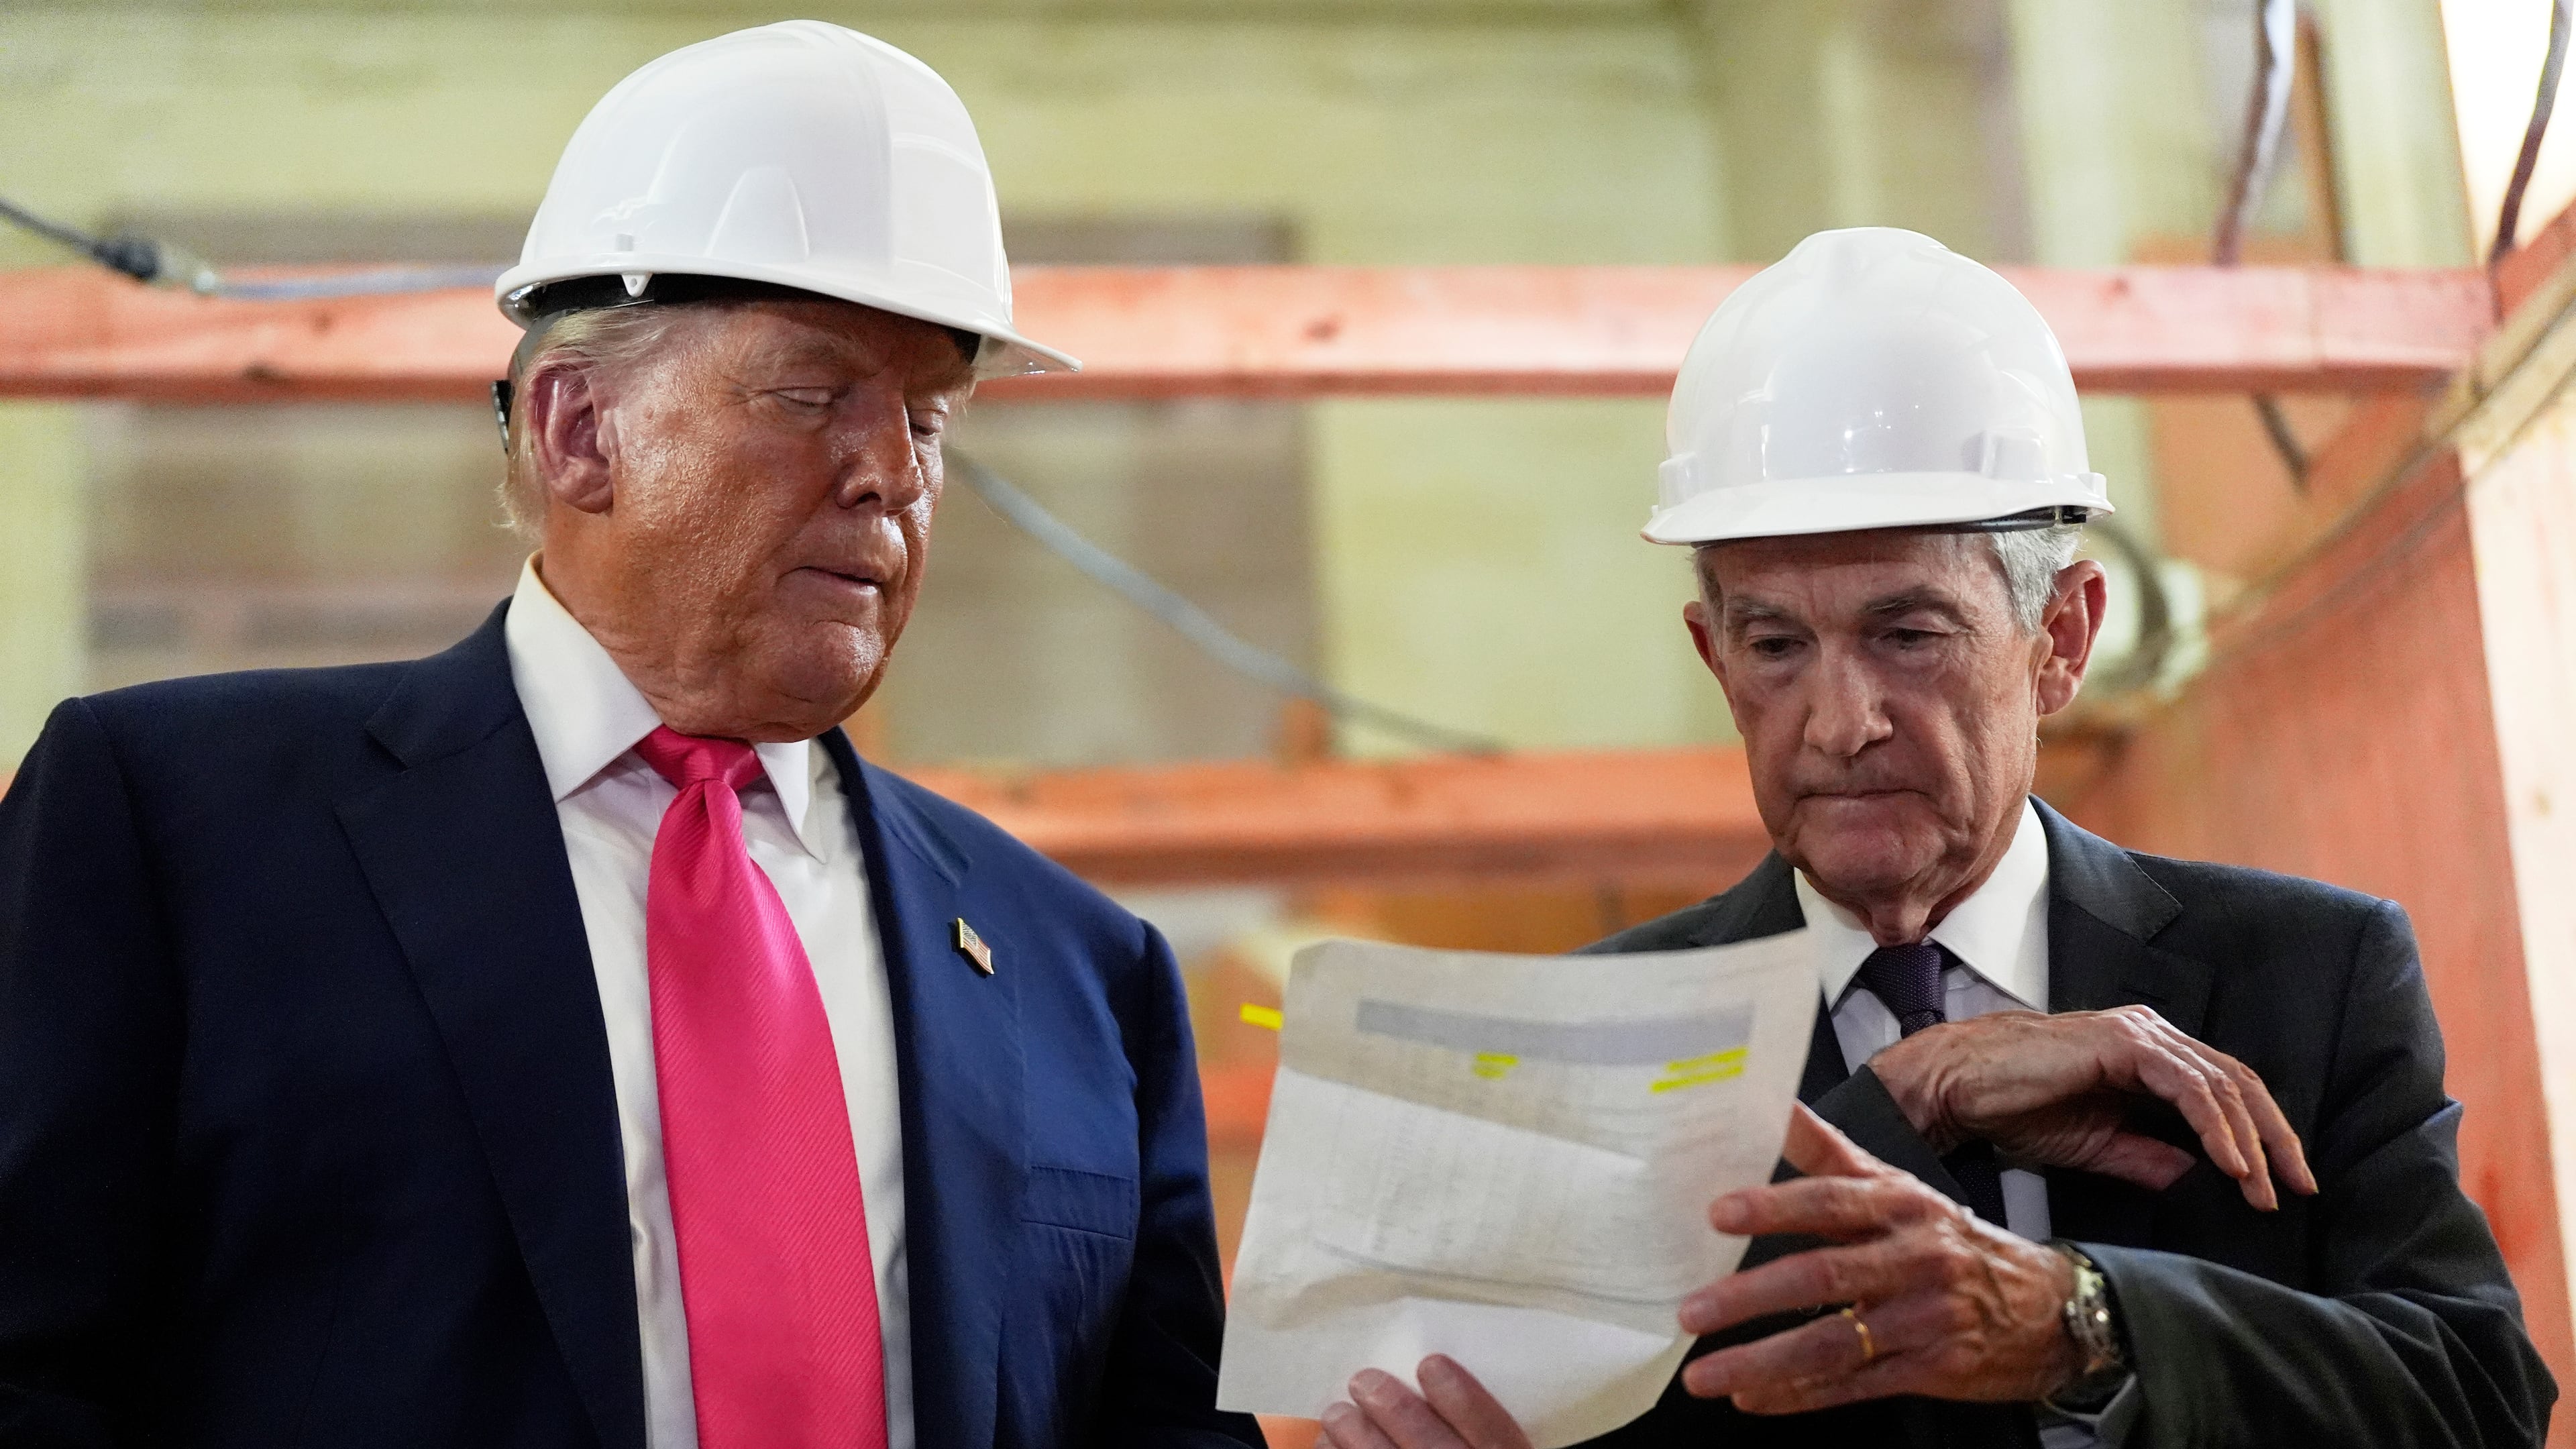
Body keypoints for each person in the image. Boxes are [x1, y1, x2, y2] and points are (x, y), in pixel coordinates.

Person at [0, 23, 1261, 1449]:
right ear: (578, 428)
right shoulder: (175, 834)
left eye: (928, 416)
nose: (893, 476)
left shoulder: (1081, 974)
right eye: (813, 394)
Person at [1317, 227, 2556, 1449]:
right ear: (1714, 656)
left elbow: (2477, 1397)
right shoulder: (1578, 1052)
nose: (1841, 725)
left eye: (1909, 635)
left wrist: (2088, 1323)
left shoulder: (2303, 976)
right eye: (1776, 647)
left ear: (2061, 639)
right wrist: (1908, 1101)